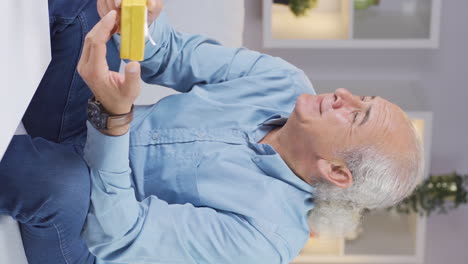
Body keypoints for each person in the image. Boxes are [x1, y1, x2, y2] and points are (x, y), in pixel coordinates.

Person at [0, 1, 422, 264]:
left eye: (356, 116)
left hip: (87, 232)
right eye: (363, 97)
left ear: (337, 173)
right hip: (89, 124)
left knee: (65, 183)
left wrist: (114, 118)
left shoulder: (266, 239)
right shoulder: (284, 81)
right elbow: (171, 55)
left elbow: (119, 234)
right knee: (90, 9)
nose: (344, 95)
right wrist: (139, 21)